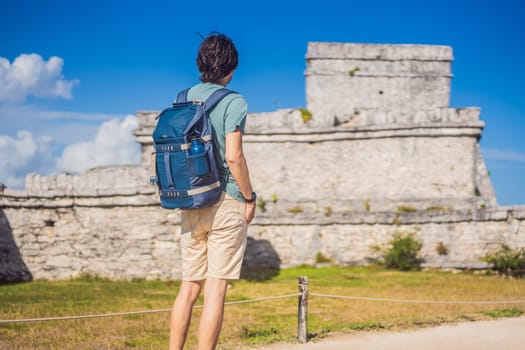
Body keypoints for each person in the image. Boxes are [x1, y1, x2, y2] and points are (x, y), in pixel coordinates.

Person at [169, 33, 256, 350]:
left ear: (200, 65)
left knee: (189, 287)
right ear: (231, 68)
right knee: (215, 289)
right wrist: (249, 197)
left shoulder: (182, 98)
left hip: (190, 199)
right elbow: (233, 156)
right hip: (225, 201)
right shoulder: (234, 101)